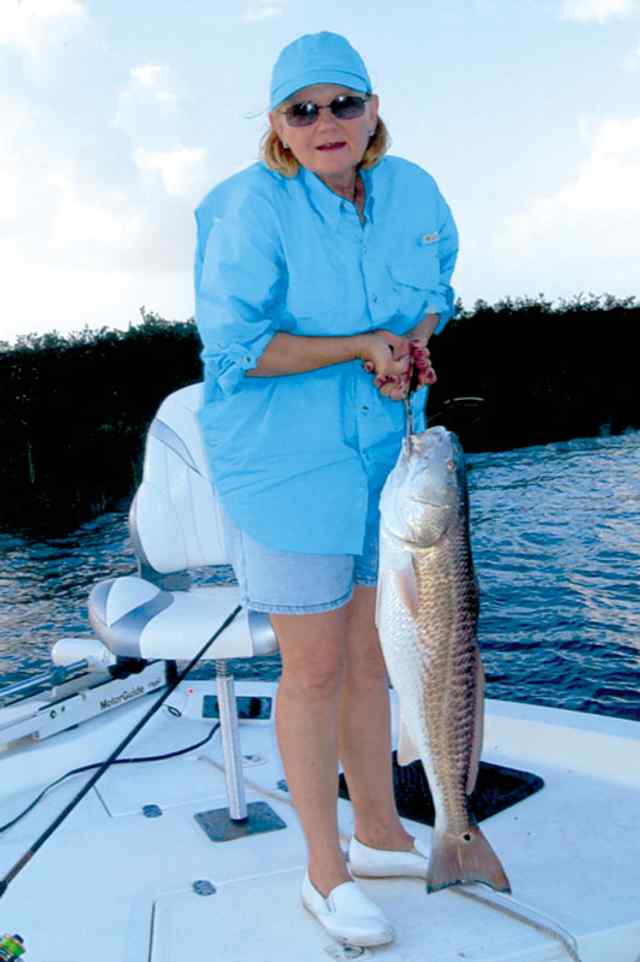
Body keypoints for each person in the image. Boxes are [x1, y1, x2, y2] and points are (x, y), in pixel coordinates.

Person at [194, 31, 459, 947]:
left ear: (374, 108)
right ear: (277, 125)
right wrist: (359, 347)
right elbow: (235, 352)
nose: (326, 123)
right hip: (284, 464)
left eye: (343, 103)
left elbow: (434, 291)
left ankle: (381, 832)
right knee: (312, 670)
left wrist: (411, 343)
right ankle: (323, 871)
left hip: (383, 457)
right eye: (302, 111)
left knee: (374, 658)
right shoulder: (246, 210)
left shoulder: (414, 190)